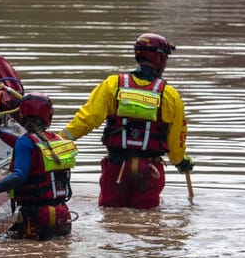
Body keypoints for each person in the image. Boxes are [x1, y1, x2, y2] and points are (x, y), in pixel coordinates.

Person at [63, 32, 191, 209]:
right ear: (160, 59)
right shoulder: (170, 96)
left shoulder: (112, 85)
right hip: (150, 171)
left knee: (110, 216)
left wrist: (58, 140)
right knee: (147, 221)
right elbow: (177, 138)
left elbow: (86, 119)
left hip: (116, 167)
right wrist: (181, 161)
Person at [0, 93, 75, 239]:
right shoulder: (57, 140)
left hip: (36, 217)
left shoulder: (27, 142)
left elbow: (19, 175)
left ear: (22, 115)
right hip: (60, 215)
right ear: (48, 116)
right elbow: (26, 147)